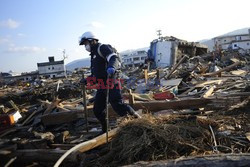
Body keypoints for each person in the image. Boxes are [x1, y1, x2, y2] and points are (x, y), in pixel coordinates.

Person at [79, 31, 141, 134]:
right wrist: (87, 80)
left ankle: (138, 122)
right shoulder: (93, 55)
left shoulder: (102, 48)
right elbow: (96, 74)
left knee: (118, 104)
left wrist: (112, 67)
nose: (85, 46)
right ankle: (105, 130)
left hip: (111, 81)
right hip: (102, 84)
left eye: (86, 43)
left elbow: (113, 58)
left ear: (92, 41)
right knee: (98, 110)